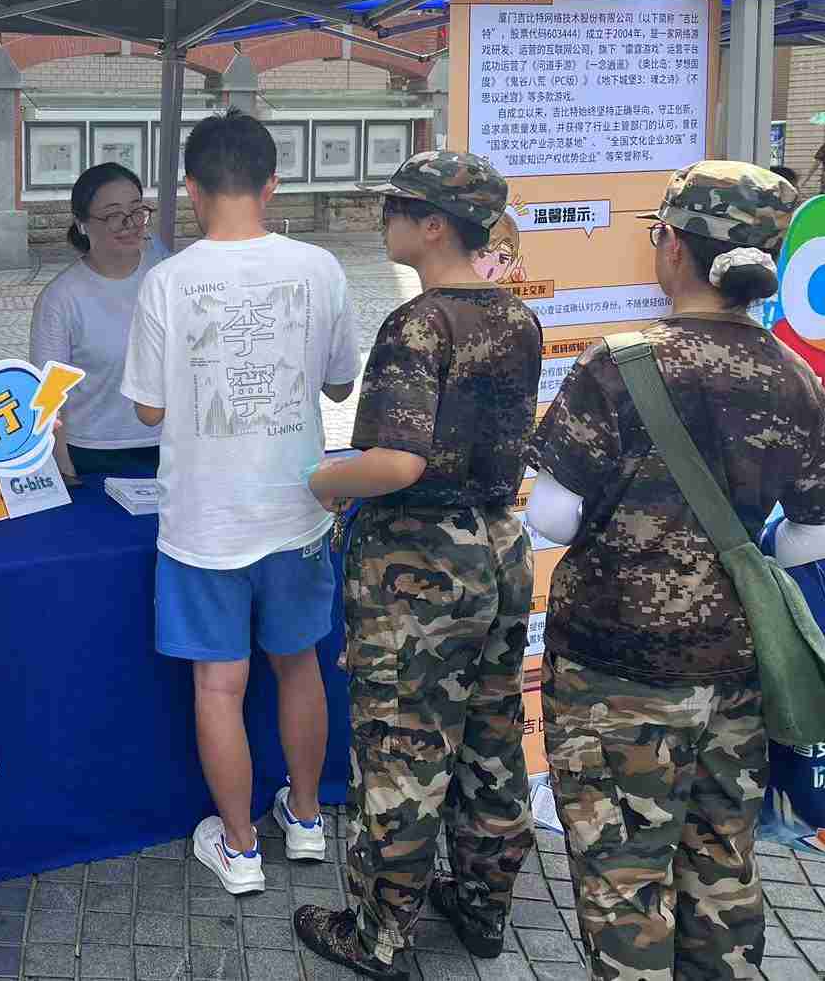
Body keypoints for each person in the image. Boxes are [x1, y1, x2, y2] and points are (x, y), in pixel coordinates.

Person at [526, 162, 825, 981]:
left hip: (613, 669)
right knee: (722, 861)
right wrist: (747, 556)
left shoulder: (619, 363)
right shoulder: (793, 374)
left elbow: (552, 518)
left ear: (671, 243)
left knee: (624, 875)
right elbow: (823, 532)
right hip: (735, 666)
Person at [294, 152, 540, 980]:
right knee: (491, 736)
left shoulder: (419, 324)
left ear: (434, 225)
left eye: (396, 207)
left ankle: (379, 935)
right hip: (499, 546)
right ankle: (481, 907)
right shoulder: (516, 317)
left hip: (421, 565)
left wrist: (325, 481)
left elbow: (398, 462)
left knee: (403, 745)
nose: (384, 219)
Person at [122, 112, 359, 893]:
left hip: (204, 522)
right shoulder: (320, 267)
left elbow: (148, 410)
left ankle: (240, 847)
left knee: (218, 687)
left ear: (191, 188)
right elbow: (339, 384)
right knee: (299, 667)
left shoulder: (168, 279)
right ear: (271, 185)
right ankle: (309, 819)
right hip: (297, 513)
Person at [30, 162, 165, 483]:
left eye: (137, 210)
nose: (129, 224)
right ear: (82, 224)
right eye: (113, 215)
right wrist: (63, 467)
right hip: (93, 456)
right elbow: (48, 396)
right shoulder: (61, 298)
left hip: (170, 447)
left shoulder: (165, 273)